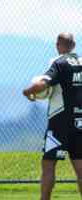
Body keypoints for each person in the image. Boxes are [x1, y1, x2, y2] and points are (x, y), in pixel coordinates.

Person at [23, 33, 82, 200]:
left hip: (59, 123)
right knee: (81, 169)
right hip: (80, 123)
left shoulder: (59, 63)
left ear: (58, 45)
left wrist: (29, 91)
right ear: (74, 45)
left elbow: (43, 83)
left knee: (48, 165)